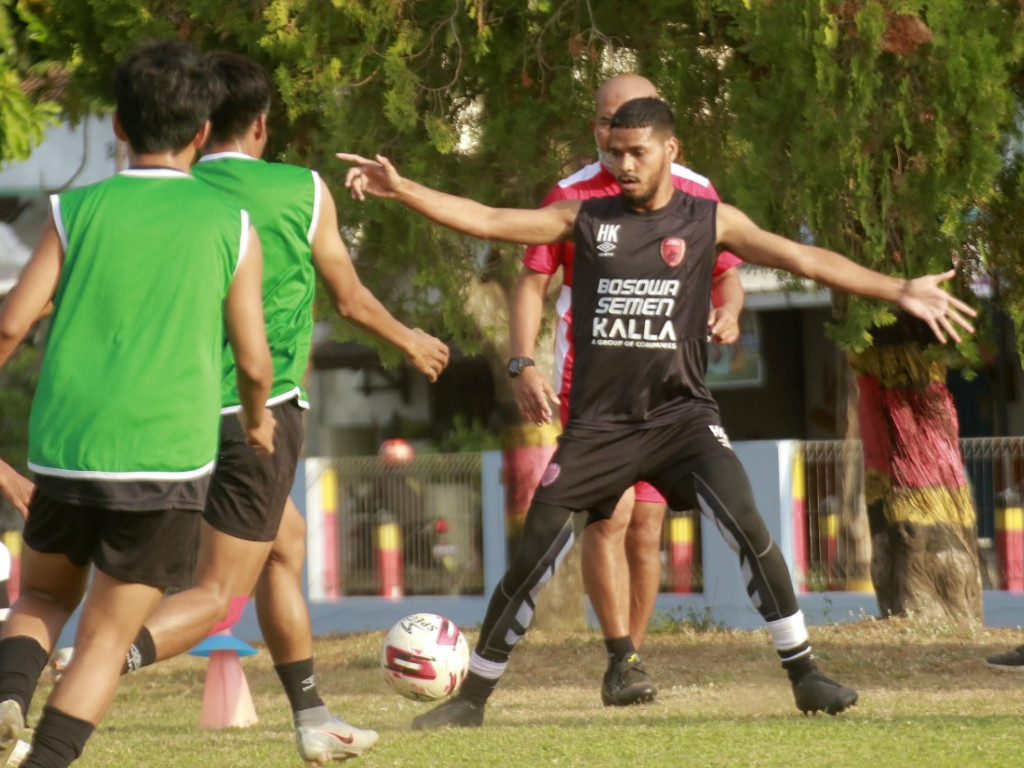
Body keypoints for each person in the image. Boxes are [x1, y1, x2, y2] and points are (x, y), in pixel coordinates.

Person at [337, 96, 976, 728]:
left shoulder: (710, 220)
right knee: (533, 556)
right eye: (613, 152)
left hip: (683, 420)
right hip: (598, 428)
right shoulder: (583, 217)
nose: (623, 164)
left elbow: (806, 258)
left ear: (670, 149)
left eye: (637, 151)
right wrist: (403, 189)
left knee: (748, 524)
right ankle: (470, 701)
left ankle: (806, 674)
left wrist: (899, 289)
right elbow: (486, 218)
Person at [113, 50, 449, 764]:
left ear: (201, 125)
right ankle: (99, 662)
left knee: (284, 546)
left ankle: (313, 717)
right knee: (216, 591)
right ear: (262, 123)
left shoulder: (172, 187)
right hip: (258, 416)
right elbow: (350, 299)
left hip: (171, 408)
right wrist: (411, 339)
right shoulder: (303, 190)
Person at [0, 38, 274, 768]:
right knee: (106, 637)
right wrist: (257, 418)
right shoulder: (230, 225)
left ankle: (5, 696)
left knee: (40, 600)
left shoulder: (73, 210)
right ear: (200, 134)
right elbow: (253, 359)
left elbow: (10, 322)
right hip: (166, 460)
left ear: (117, 127)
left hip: (66, 447)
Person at [510, 73, 744, 706]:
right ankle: (621, 657)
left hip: (669, 385)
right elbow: (531, 281)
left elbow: (728, 275)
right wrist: (521, 362)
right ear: (596, 129)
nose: (617, 137)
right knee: (606, 520)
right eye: (606, 125)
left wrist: (731, 312)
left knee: (647, 528)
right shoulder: (570, 197)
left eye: (630, 126)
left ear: (662, 136)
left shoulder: (696, 195)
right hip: (591, 386)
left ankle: (632, 662)